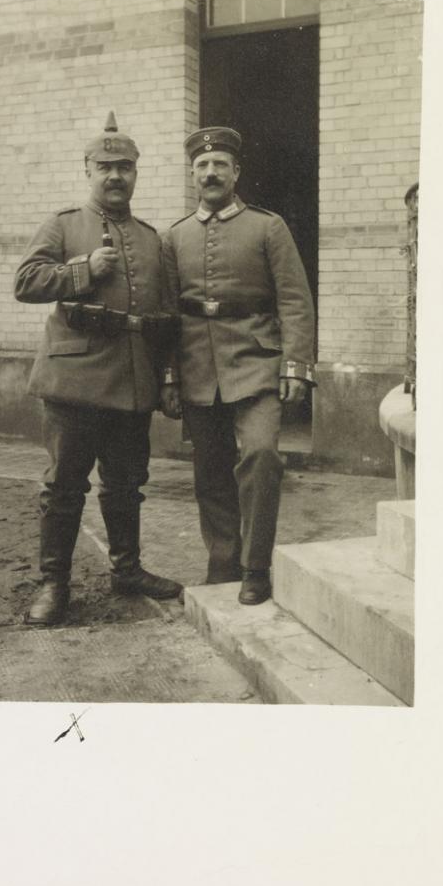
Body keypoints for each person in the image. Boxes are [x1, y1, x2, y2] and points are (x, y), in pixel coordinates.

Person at [15, 112, 182, 625]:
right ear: (87, 169)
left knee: (127, 483)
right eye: (105, 166)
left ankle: (126, 570)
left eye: (125, 167)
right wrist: (84, 270)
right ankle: (53, 583)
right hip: (74, 381)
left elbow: (170, 314)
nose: (115, 176)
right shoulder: (64, 225)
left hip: (133, 380)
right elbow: (26, 281)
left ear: (136, 173)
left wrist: (169, 377)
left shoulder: (154, 239)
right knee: (65, 486)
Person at [161, 126, 316, 605]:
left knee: (262, 456)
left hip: (257, 361)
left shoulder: (268, 227)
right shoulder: (175, 237)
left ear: (236, 172)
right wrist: (168, 375)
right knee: (210, 469)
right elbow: (167, 314)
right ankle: (222, 560)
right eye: (202, 167)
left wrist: (296, 366)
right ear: (193, 175)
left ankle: (255, 565)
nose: (211, 173)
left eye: (220, 165)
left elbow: (294, 299)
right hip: (197, 367)